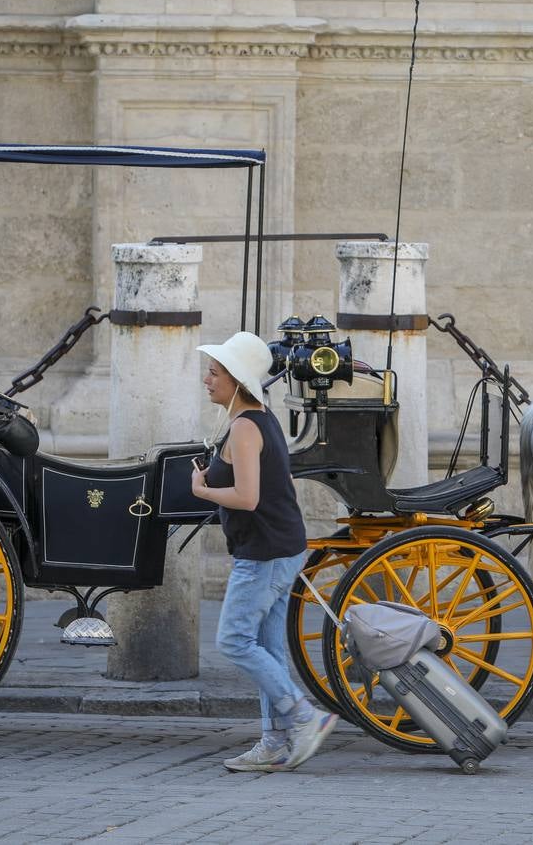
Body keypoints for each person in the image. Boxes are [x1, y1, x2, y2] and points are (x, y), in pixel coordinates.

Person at [192, 330, 337, 772]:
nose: (206, 379)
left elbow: (249, 498)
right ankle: (274, 743)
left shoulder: (244, 427)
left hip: (265, 554)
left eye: (214, 373)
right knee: (269, 649)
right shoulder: (259, 418)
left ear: (236, 380)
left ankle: (302, 716)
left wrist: (202, 489)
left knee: (234, 640)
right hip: (278, 546)